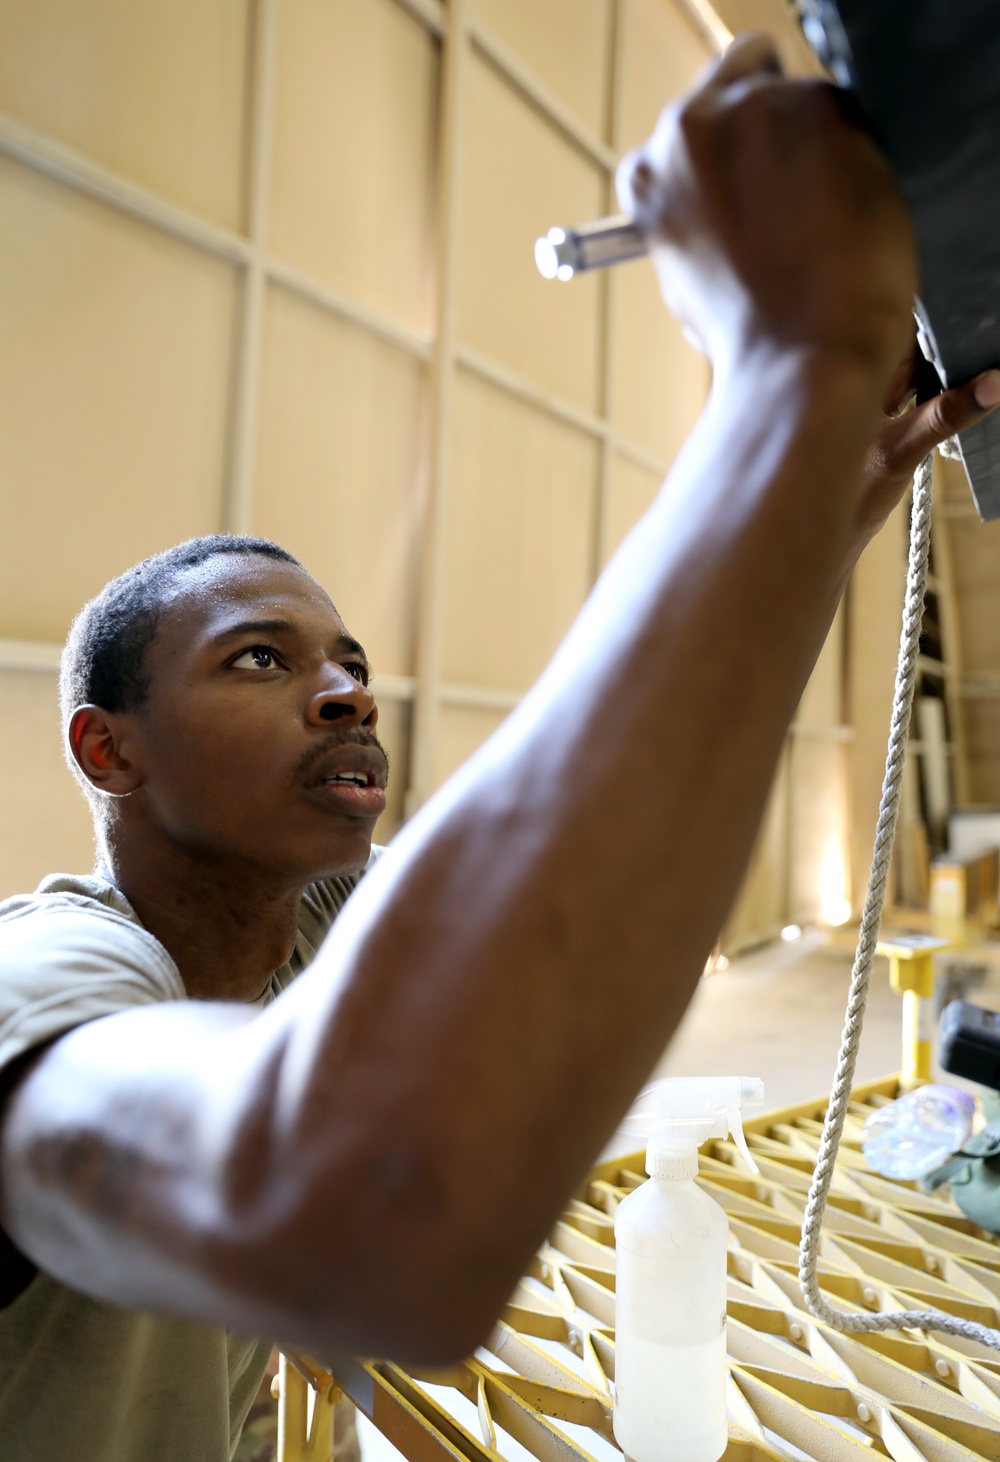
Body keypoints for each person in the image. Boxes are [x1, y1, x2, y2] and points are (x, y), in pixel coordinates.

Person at [2, 32, 999, 1462]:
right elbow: (365, 1207)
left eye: (348, 662)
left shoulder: (311, 924)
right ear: (111, 753)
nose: (347, 692)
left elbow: (579, 869)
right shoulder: (41, 986)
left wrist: (801, 513)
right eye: (262, 660)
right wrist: (785, 368)